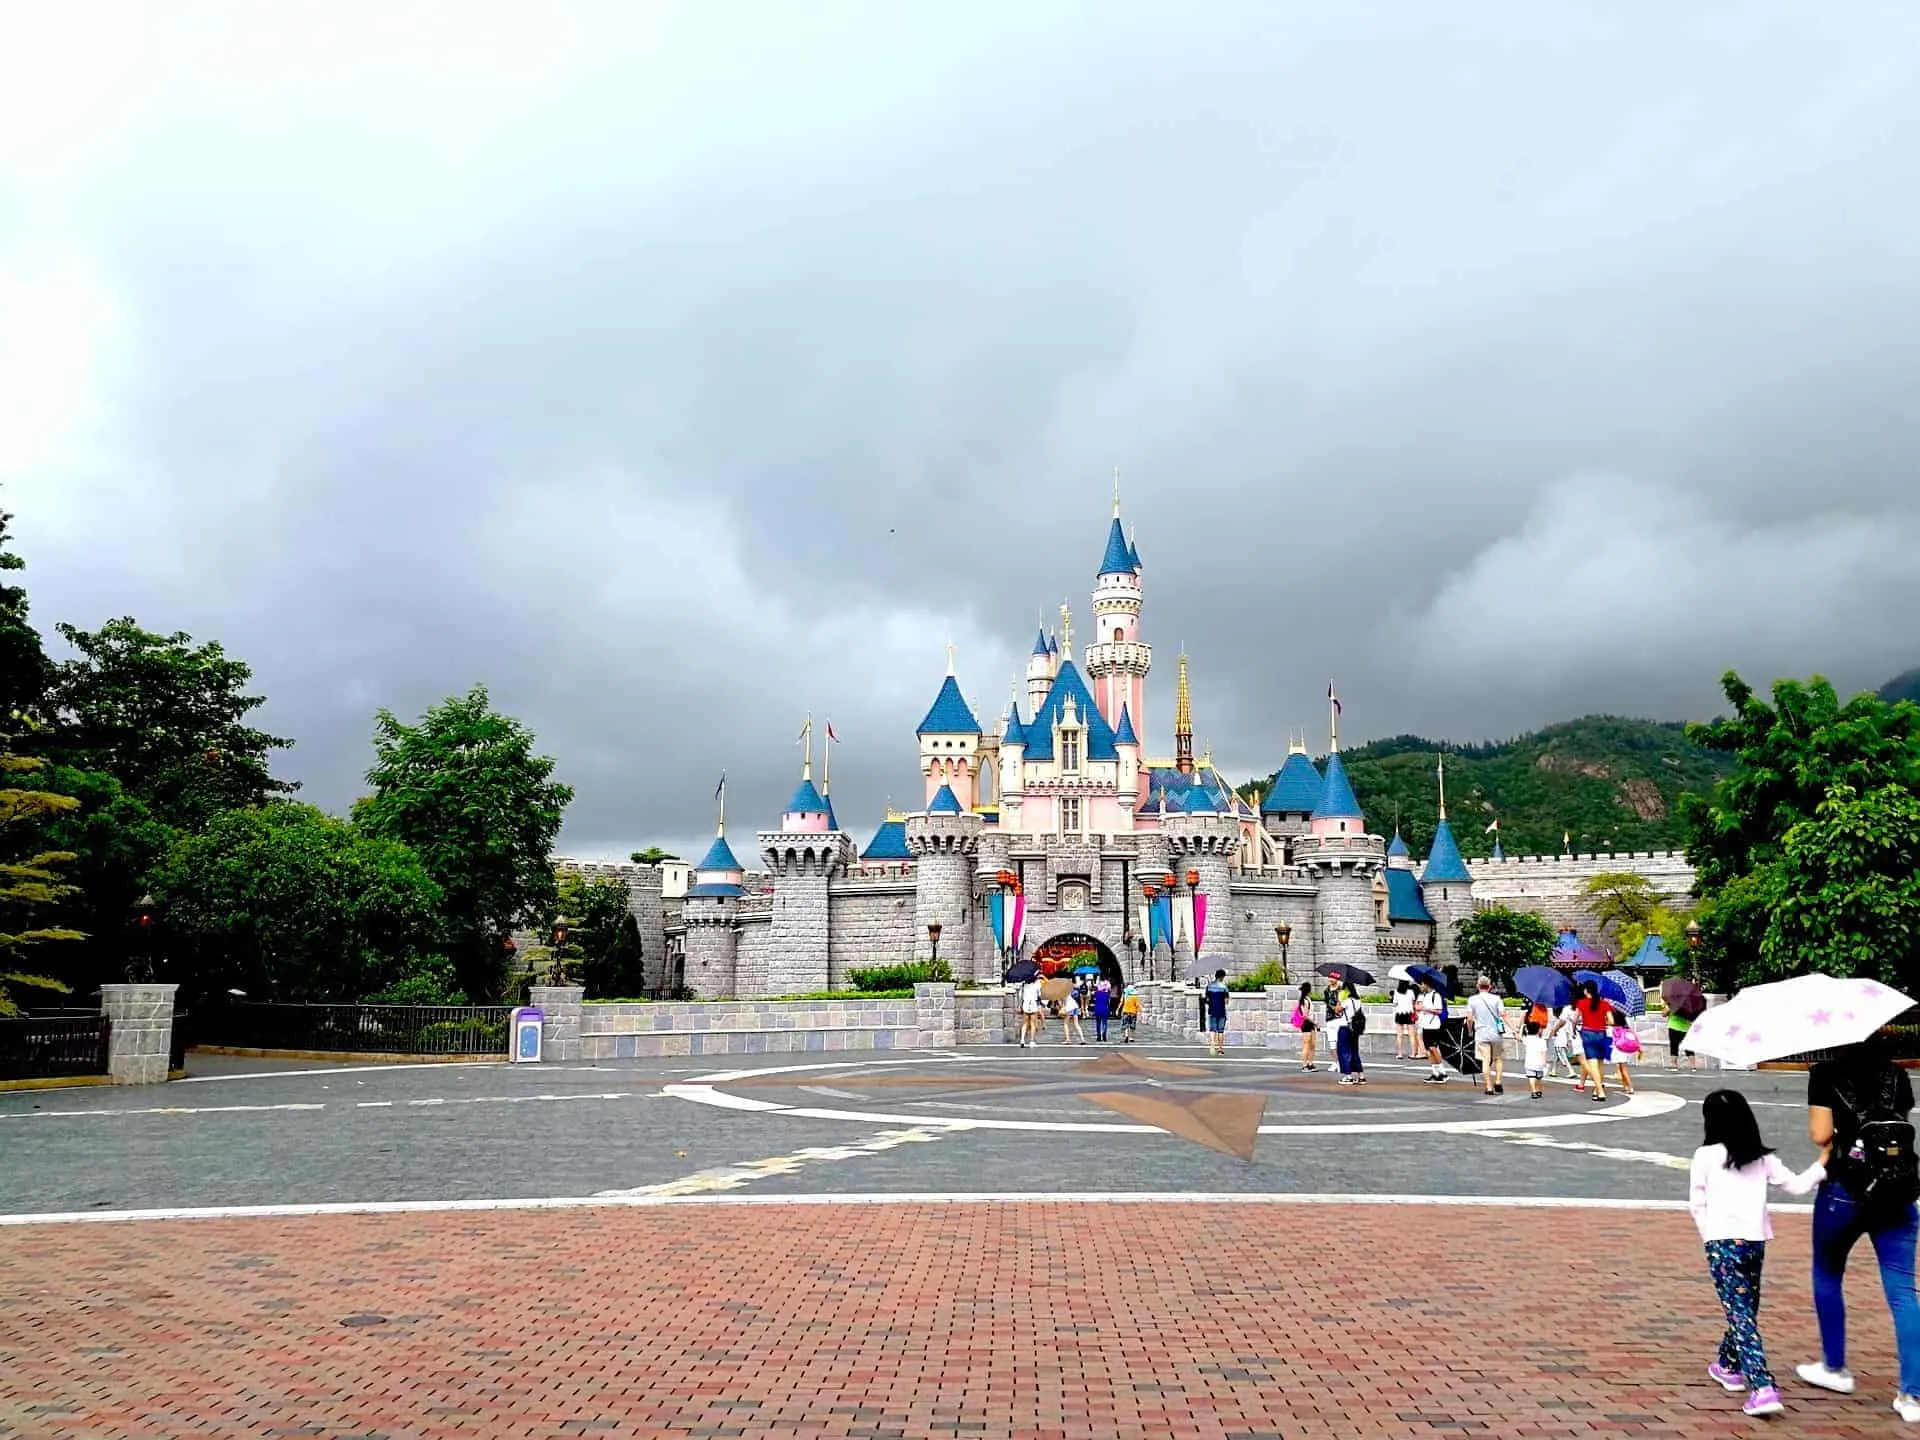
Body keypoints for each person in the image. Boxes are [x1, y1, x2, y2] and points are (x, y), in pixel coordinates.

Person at [1797, 1037, 1920, 1420]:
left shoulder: (1825, 1073)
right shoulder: (1896, 1074)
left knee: (1828, 1273)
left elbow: (1820, 1135)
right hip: (1896, 1188)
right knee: (1903, 1291)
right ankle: (1912, 1395)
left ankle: (1834, 1367)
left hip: (1845, 1189)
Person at [1689, 1089, 1825, 1417]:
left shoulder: (1705, 1156)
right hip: (1754, 1242)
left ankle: (1763, 1386)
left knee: (1741, 1312)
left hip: (1722, 1244)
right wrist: (1822, 1164)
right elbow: (1797, 1186)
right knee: (1744, 1307)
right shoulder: (1762, 1158)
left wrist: (1709, 1236)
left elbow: (1697, 1203)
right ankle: (1727, 1364)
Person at [1573, 979, 1619, 1102]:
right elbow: (1612, 1021)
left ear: (1586, 990)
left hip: (1588, 1033)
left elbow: (1575, 1019)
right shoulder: (1604, 1003)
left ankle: (1600, 1091)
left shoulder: (1581, 1003)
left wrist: (1574, 1029)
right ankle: (1596, 1090)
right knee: (1600, 1064)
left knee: (1592, 1064)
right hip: (1602, 1033)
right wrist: (1602, 1022)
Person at [1465, 975, 1507, 1097]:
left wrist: (1469, 1031)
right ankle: (1498, 1082)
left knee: (1485, 1059)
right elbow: (1503, 1014)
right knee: (1498, 1058)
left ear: (1478, 986)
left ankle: (1489, 1087)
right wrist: (1513, 1028)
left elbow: (1469, 1018)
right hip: (1496, 1033)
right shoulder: (1497, 999)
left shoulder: (1472, 1000)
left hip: (1481, 1033)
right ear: (1489, 987)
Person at [1326, 974, 1366, 1087]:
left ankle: (1348, 1076)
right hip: (1355, 1029)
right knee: (1354, 1051)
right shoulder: (1357, 1000)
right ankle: (1361, 1075)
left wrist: (1339, 1000)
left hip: (1345, 1027)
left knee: (1343, 1052)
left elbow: (1337, 1010)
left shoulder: (1346, 1000)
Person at [1415, 977, 1448, 1084]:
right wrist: (1418, 1007)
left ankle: (1442, 1072)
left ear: (1427, 984)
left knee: (1433, 1048)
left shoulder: (1436, 996)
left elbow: (1439, 1011)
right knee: (1429, 1050)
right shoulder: (1422, 996)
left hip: (1433, 1025)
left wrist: (1426, 1009)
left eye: (1422, 984)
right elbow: (1417, 1006)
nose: (1421, 986)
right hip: (1424, 1024)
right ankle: (1435, 1073)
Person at [1549, 1005, 1581, 1082]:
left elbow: (1553, 1031)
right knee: (1556, 1056)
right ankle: (1553, 1070)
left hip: (1559, 1042)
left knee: (1563, 1057)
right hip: (1563, 1041)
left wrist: (1551, 1035)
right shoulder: (1566, 1020)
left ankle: (1571, 1071)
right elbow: (1568, 1031)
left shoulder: (1558, 1021)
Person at [1203, 969, 1230, 1056]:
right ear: (1222, 977)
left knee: (1212, 1029)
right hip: (1221, 1011)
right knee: (1221, 1031)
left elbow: (1206, 999)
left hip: (1212, 1010)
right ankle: (1220, 1049)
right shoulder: (1224, 987)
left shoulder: (1209, 986)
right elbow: (1226, 1001)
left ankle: (1212, 1044)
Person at [1295, 980, 1319, 1072]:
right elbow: (1305, 1015)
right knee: (1306, 1044)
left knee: (1312, 1044)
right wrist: (1314, 1023)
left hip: (1311, 1023)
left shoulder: (1308, 999)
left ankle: (1310, 1063)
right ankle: (1305, 1065)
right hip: (1306, 1024)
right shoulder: (1304, 1000)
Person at [1521, 1020, 1548, 1100]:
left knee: (1531, 1077)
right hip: (1539, 1063)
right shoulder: (1542, 1041)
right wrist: (1544, 1063)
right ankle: (1539, 1090)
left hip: (1529, 1063)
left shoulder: (1527, 1039)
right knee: (1539, 1078)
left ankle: (1533, 1091)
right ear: (1539, 1030)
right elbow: (1544, 1053)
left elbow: (1519, 1036)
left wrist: (1522, 1027)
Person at [1393, 979, 1417, 1059]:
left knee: (1399, 1035)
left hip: (1399, 1013)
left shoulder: (1396, 991)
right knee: (1411, 1035)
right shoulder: (1411, 992)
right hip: (1409, 1013)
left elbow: (1395, 1003)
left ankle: (1400, 1054)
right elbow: (1413, 1003)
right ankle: (1413, 1054)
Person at [1018, 975, 1044, 1048]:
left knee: (1025, 1023)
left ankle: (1022, 1040)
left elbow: (1020, 996)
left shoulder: (1023, 985)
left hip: (1025, 1003)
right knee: (1033, 1023)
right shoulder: (1037, 984)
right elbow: (1040, 994)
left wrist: (1020, 1005)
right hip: (1033, 1003)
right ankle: (1032, 1041)